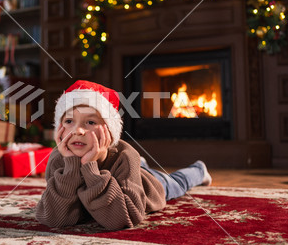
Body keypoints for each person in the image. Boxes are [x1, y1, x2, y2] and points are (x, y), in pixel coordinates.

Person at [35, 80, 212, 230]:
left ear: (109, 132)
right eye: (69, 121)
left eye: (90, 122)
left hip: (146, 183)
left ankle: (199, 170)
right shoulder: (58, 158)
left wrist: (90, 167)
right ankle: (141, 164)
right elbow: (53, 218)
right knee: (136, 165)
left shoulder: (125, 156)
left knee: (177, 183)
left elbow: (122, 219)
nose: (78, 130)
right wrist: (72, 165)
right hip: (126, 171)